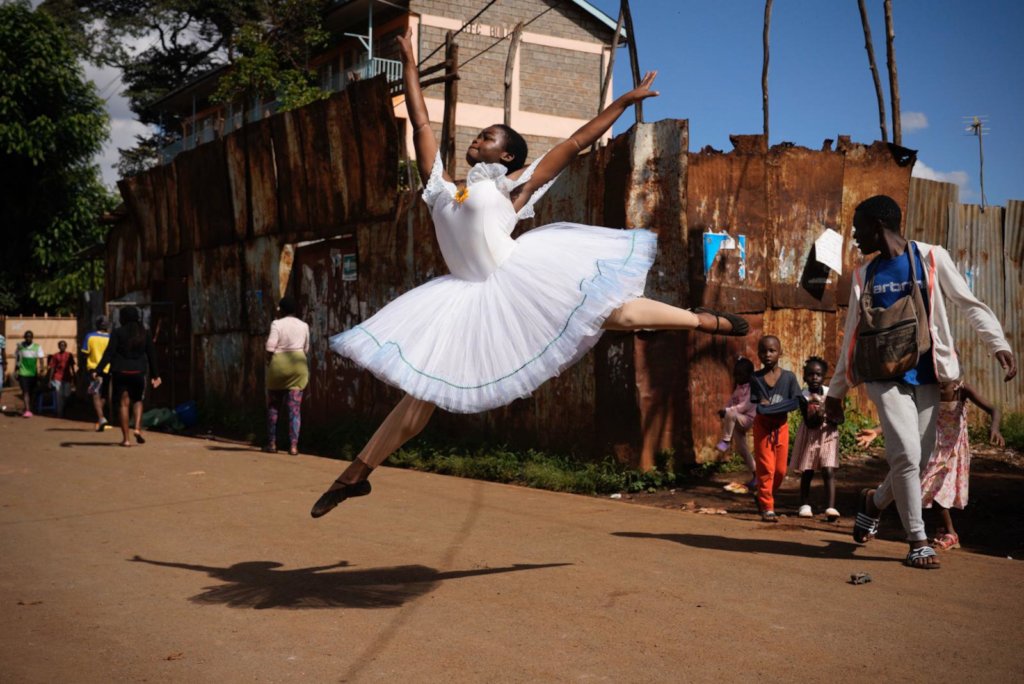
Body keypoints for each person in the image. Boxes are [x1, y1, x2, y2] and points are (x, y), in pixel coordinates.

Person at [310, 29, 750, 518]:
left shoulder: (511, 191)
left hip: (519, 277)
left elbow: (576, 142)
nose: (478, 139)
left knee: (615, 315)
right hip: (462, 298)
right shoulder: (438, 188)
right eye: (479, 135)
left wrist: (625, 100)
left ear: (507, 158)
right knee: (421, 395)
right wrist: (409, 63)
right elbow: (419, 122)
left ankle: (702, 321)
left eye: (489, 138)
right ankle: (357, 473)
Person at [824, 195, 1016, 570]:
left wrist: (997, 343)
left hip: (929, 374)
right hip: (883, 376)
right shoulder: (865, 274)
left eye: (859, 227)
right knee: (906, 456)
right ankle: (918, 540)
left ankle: (874, 502)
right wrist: (836, 392)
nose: (855, 235)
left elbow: (968, 302)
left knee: (920, 459)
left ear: (878, 227)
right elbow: (852, 335)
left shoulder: (930, 257)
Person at [920, 379, 1002, 551]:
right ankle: (942, 529)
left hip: (953, 448)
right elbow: (909, 412)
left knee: (937, 488)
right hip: (932, 445)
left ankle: (951, 534)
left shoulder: (961, 388)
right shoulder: (927, 387)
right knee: (924, 486)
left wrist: (994, 428)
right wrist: (878, 430)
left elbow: (994, 409)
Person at [748, 335, 801, 522]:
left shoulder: (789, 378)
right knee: (766, 468)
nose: (767, 354)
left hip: (781, 427)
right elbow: (760, 409)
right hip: (763, 428)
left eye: (772, 350)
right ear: (758, 354)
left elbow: (795, 403)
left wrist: (771, 407)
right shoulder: (756, 378)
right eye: (763, 351)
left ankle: (763, 494)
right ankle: (767, 507)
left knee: (780, 471)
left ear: (780, 353)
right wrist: (778, 406)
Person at [95, 306, 162, 447]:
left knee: (123, 404)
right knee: (137, 401)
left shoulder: (118, 332)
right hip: (138, 372)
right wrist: (155, 375)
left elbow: (109, 353)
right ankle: (137, 428)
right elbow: (152, 354)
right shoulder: (145, 332)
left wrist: (98, 369)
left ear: (123, 318)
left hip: (120, 371)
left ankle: (126, 439)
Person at [789, 356, 840, 522]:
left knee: (828, 469)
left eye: (818, 374)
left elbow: (840, 417)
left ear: (824, 376)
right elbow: (809, 422)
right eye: (810, 375)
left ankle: (831, 507)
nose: (814, 378)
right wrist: (818, 414)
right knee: (808, 469)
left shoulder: (830, 394)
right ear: (804, 377)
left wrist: (829, 416)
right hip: (810, 435)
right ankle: (804, 504)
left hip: (828, 435)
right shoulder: (803, 396)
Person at [264, 296, 310, 456]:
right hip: (298, 366)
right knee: (294, 410)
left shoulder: (277, 324)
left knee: (274, 407)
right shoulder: (304, 325)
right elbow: (306, 348)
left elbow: (270, 347)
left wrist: (268, 362)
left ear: (282, 310)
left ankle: (271, 443)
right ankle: (293, 447)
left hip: (279, 367)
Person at [716, 356, 757, 490]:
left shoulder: (752, 388)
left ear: (749, 375)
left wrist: (727, 411)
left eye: (740, 374)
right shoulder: (739, 387)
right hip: (736, 422)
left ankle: (726, 440)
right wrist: (725, 409)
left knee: (731, 413)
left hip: (747, 419)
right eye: (736, 374)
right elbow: (732, 402)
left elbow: (744, 406)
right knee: (743, 450)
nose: (737, 377)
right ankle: (756, 475)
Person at [82, 316, 111, 431]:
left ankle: (101, 418)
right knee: (104, 395)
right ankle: (100, 420)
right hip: (107, 369)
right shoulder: (111, 338)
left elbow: (84, 353)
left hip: (94, 369)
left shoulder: (90, 336)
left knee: (95, 394)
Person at [14, 330, 44, 417]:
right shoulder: (20, 347)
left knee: (31, 392)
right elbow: (17, 360)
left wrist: (42, 368)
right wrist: (16, 371)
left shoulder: (37, 347)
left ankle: (29, 408)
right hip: (23, 373)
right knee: (25, 391)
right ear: (24, 337)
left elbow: (41, 358)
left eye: (30, 336)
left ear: (32, 338)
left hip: (33, 373)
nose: (28, 338)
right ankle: (27, 410)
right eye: (27, 336)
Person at [47, 340, 77, 418]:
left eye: (63, 345)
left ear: (65, 346)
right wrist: (50, 380)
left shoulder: (69, 355)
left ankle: (64, 409)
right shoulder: (55, 356)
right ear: (59, 347)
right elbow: (52, 368)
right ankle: (60, 413)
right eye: (61, 345)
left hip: (67, 377)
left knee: (66, 395)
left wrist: (74, 377)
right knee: (59, 396)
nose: (62, 347)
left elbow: (72, 367)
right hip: (57, 377)